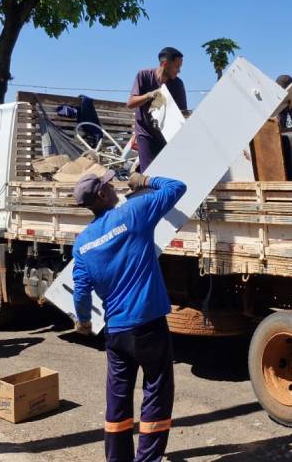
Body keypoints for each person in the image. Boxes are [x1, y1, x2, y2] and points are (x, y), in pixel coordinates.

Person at [72, 170, 187, 462]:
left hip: (117, 332)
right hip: (149, 326)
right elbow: (177, 186)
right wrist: (144, 181)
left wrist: (83, 322)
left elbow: (81, 291)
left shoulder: (83, 243)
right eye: (108, 184)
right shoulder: (134, 212)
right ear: (101, 195)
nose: (113, 187)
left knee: (118, 400)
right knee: (156, 393)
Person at [127, 47, 188, 172]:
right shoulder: (143, 76)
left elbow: (182, 113)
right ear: (165, 64)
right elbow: (130, 103)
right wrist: (149, 95)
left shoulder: (178, 84)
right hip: (146, 133)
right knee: (149, 173)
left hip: (166, 134)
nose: (179, 71)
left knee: (167, 172)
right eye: (177, 67)